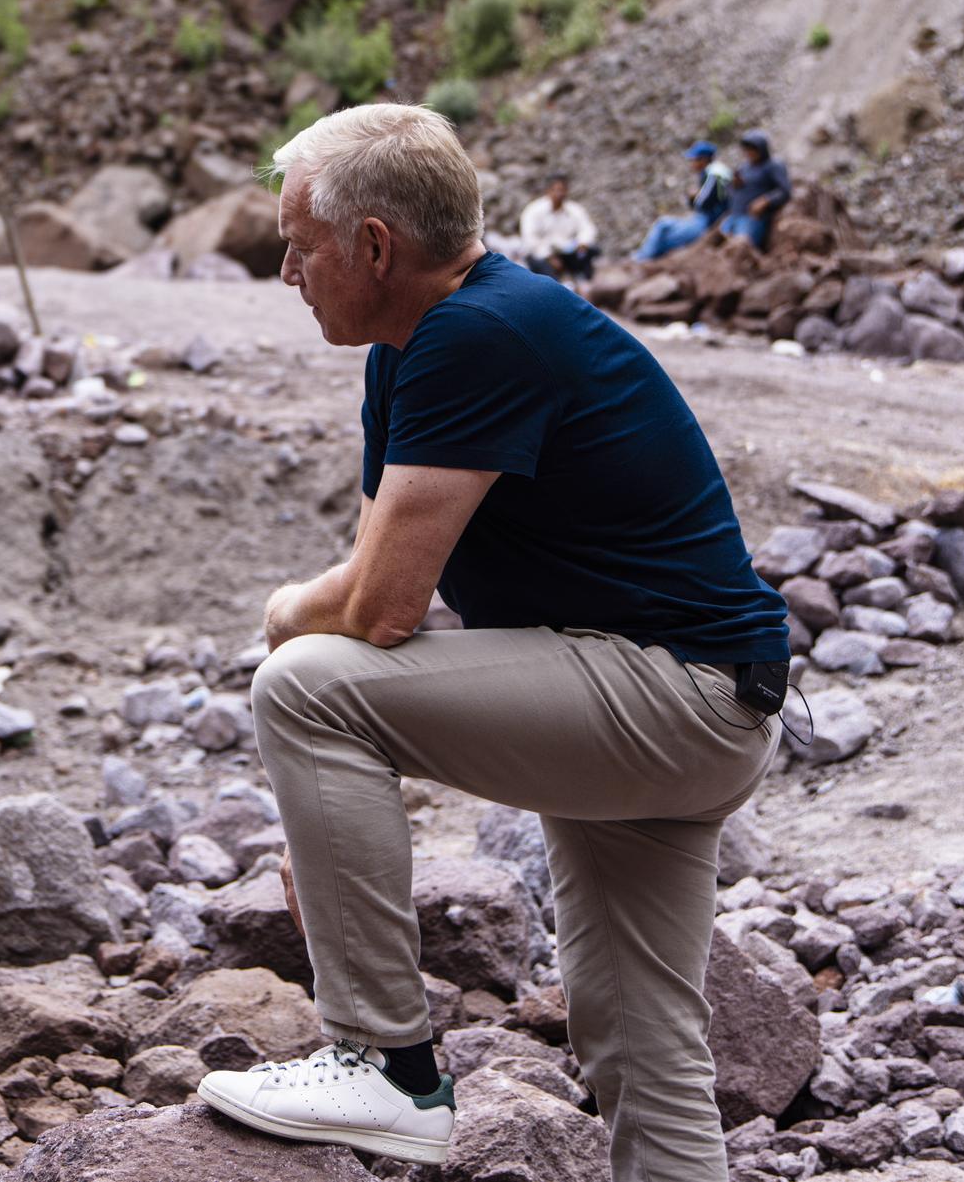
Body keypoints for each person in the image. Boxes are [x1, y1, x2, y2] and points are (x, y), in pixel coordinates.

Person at [192, 104, 786, 1180]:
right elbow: (386, 560)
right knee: (636, 1040)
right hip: (680, 697)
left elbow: (378, 610)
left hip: (667, 693)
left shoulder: (479, 333)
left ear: (375, 245)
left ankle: (386, 1063)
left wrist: (283, 615)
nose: (285, 269)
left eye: (300, 242)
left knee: (303, 683)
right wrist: (329, 835)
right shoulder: (422, 340)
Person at [633, 140, 735, 261]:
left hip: (707, 222)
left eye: (694, 159)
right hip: (708, 220)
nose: (691, 163)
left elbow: (702, 203)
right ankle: (645, 257)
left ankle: (641, 259)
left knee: (663, 225)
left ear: (703, 160)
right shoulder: (715, 171)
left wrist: (695, 195)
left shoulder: (714, 172)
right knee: (665, 230)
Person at [515, 172, 598, 284]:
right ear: (548, 191)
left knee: (591, 253)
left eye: (563, 190)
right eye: (556, 190)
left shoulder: (573, 209)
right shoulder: (534, 211)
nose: (560, 194)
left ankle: (586, 286)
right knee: (547, 274)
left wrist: (582, 243)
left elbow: (587, 228)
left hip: (566, 251)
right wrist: (549, 257)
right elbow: (531, 239)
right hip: (541, 254)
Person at [718, 131, 792, 251]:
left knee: (741, 245)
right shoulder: (744, 167)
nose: (748, 153)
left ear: (762, 149)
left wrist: (766, 200)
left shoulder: (773, 165)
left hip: (752, 218)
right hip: (735, 214)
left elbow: (785, 191)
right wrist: (735, 185)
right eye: (746, 150)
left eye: (752, 149)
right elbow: (730, 190)